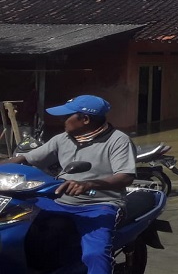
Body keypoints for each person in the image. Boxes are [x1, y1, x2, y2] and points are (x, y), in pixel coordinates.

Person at [1, 95, 136, 274]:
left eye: (67, 116)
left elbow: (125, 177)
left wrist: (88, 184)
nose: (62, 120)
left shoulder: (118, 140)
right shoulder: (62, 138)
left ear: (85, 119)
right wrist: (8, 163)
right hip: (58, 199)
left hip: (99, 205)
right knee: (17, 222)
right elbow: (26, 158)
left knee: (94, 254)